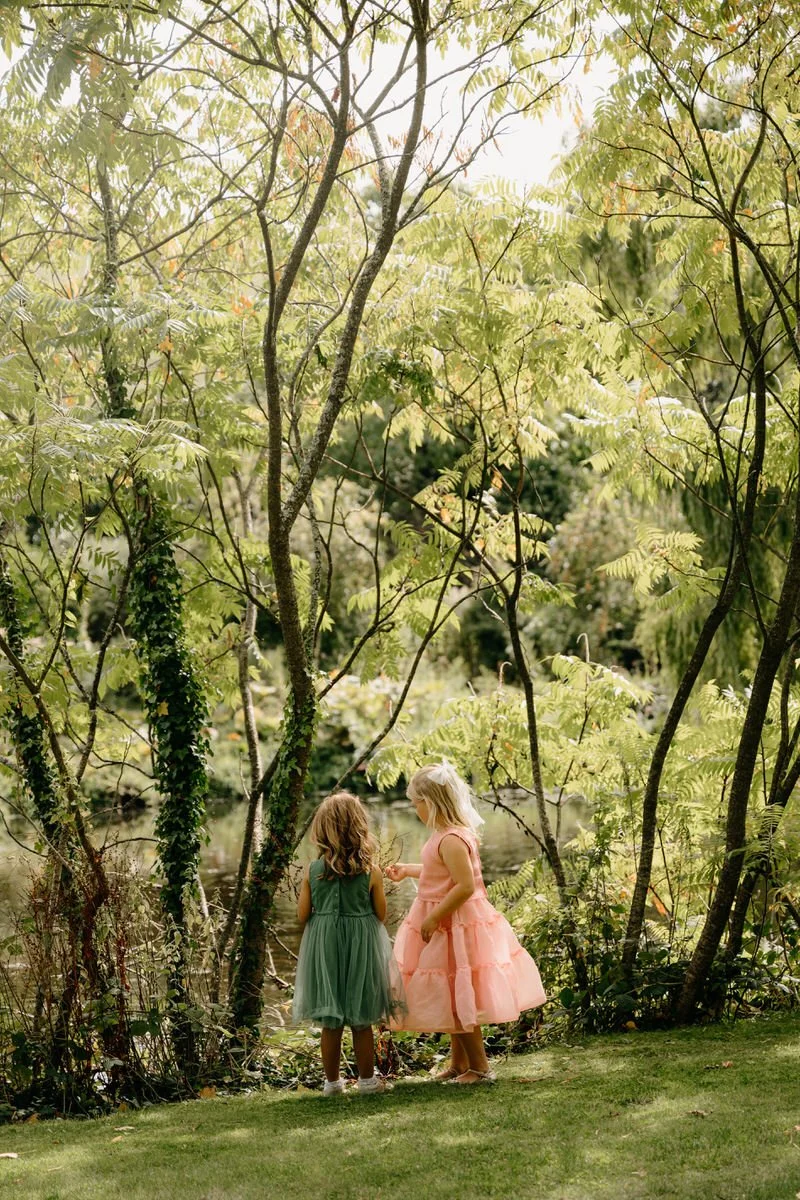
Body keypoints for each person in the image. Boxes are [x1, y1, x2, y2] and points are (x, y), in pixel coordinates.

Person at [386, 761, 546, 1084]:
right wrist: (408, 869)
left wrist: (433, 916)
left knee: (462, 995)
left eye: (416, 803)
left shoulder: (452, 840)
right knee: (450, 993)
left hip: (454, 925)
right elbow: (437, 872)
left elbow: (465, 886)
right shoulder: (445, 837)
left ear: (430, 803)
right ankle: (459, 1063)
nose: (414, 809)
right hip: (447, 924)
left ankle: (481, 1068)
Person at [293, 791, 404, 1095]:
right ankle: (367, 1082)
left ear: (322, 829)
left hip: (324, 946)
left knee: (331, 1020)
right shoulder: (371, 871)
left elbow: (303, 915)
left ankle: (331, 1084)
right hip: (362, 946)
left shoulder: (313, 871)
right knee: (361, 1017)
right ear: (359, 827)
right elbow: (381, 914)